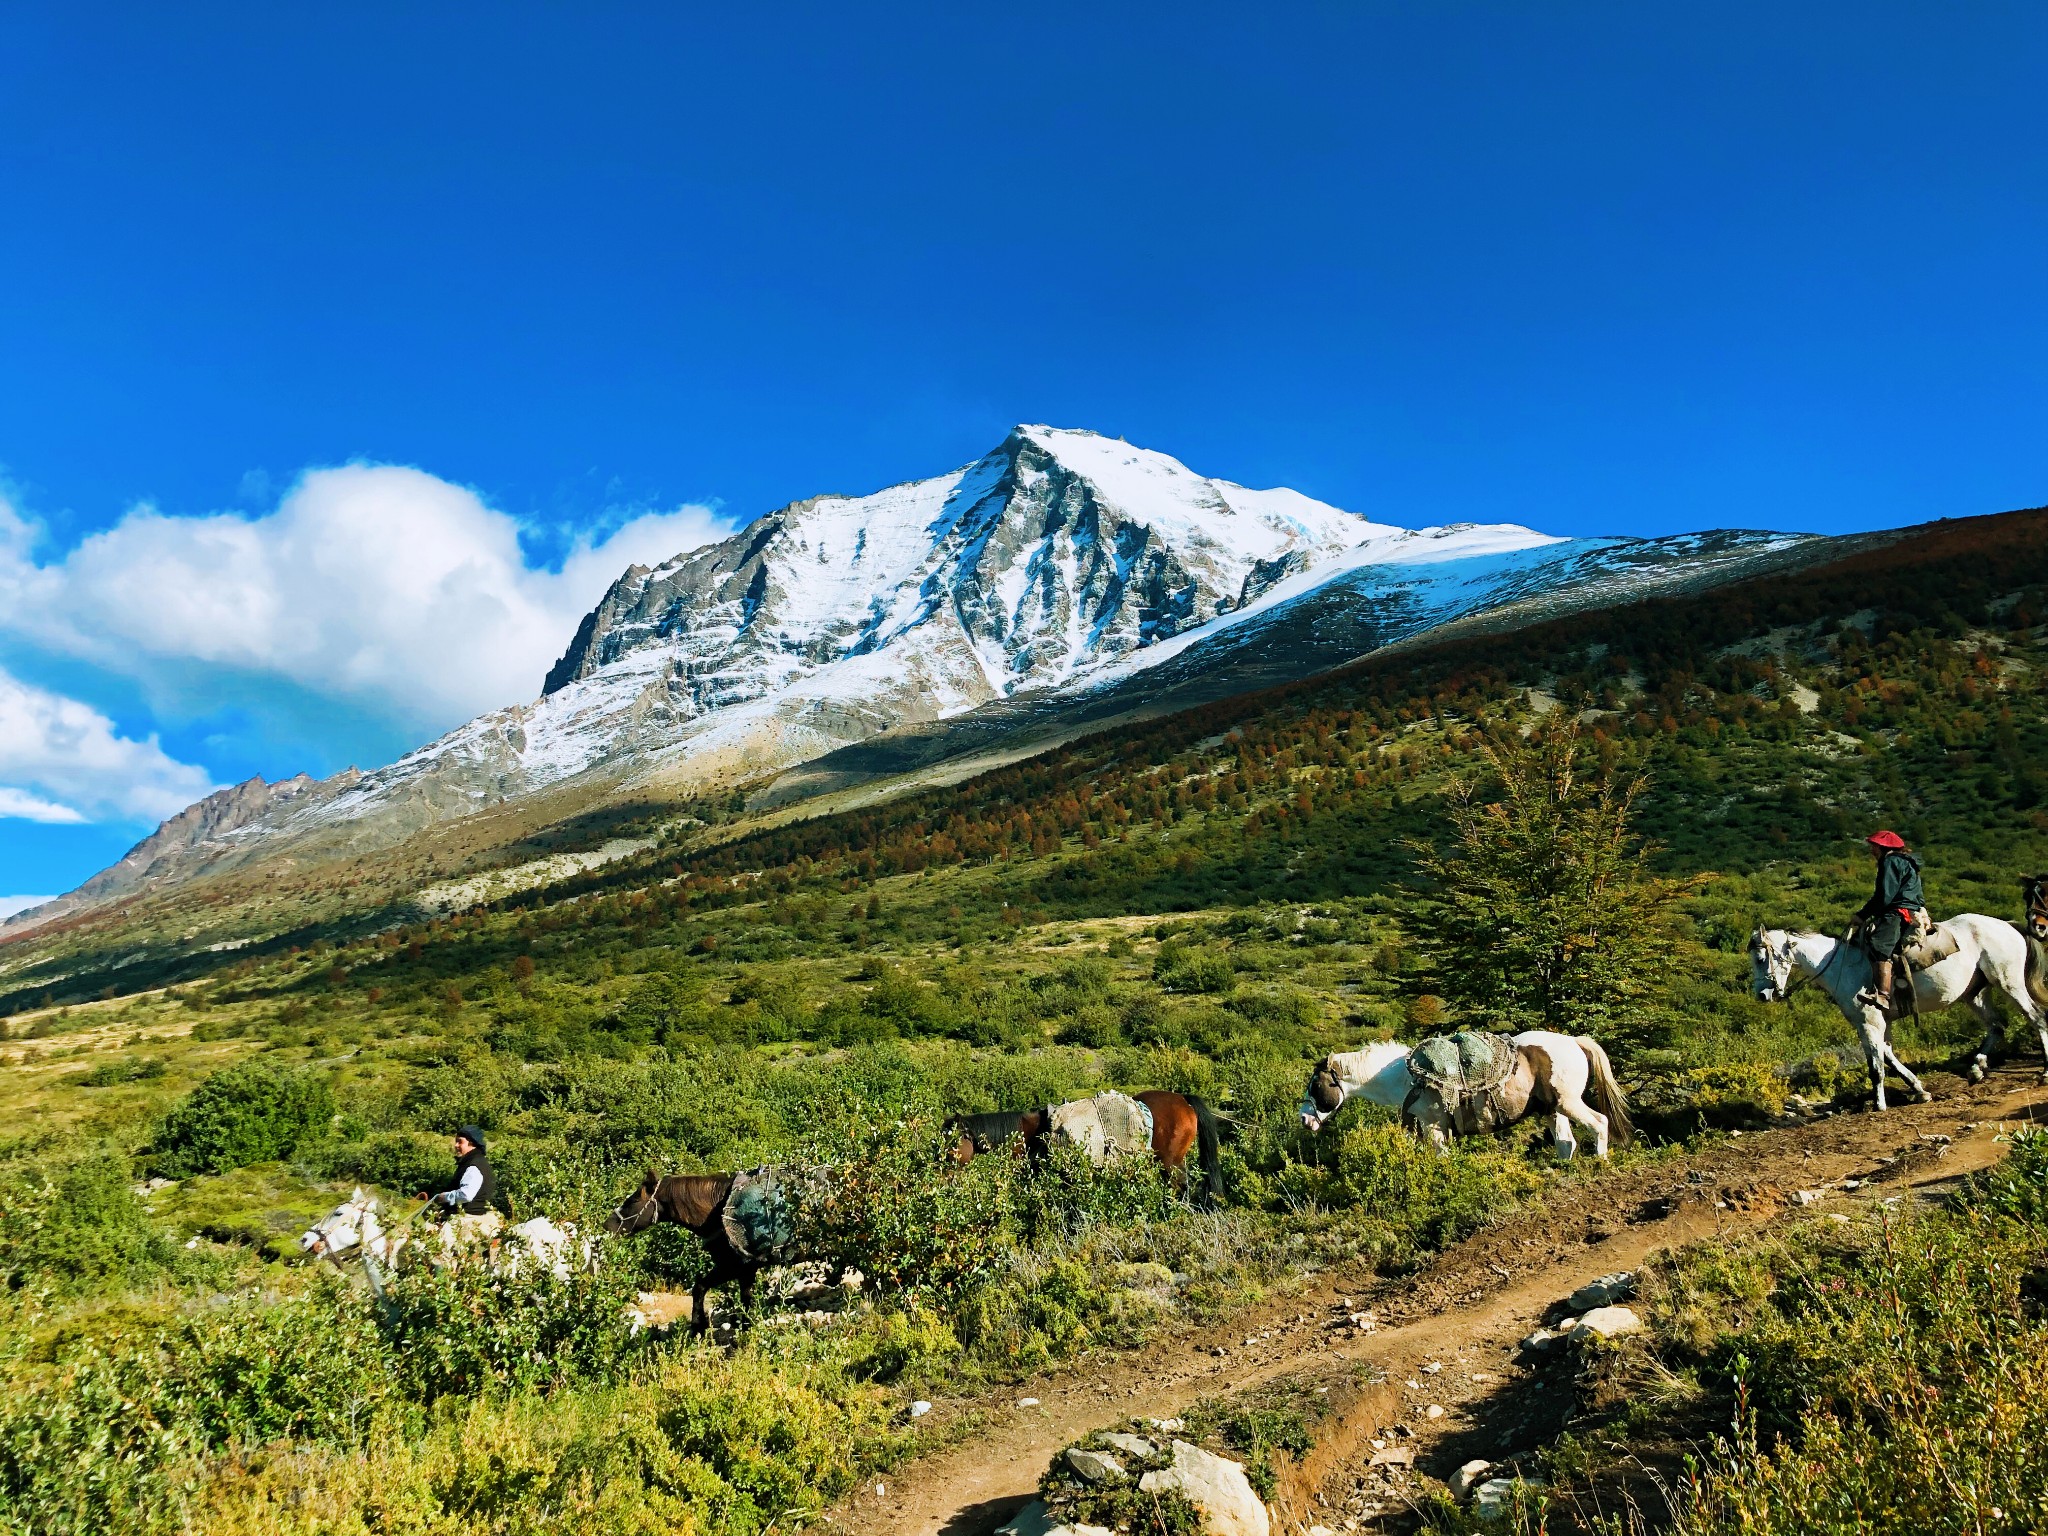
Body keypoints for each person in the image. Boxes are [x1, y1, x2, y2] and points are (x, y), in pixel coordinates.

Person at [1853, 830, 1926, 1012]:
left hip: (1897, 912)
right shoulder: (1906, 862)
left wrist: (1862, 915)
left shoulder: (1890, 862)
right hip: (1909, 908)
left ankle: (1883, 995)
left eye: (1874, 846)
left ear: (1883, 847)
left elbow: (1884, 896)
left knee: (1880, 947)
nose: (1872, 850)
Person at [420, 1125, 500, 1248]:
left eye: (460, 1142)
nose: (456, 1145)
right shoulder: (475, 1161)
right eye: (456, 1141)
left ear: (471, 1143)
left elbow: (466, 1194)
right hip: (472, 1214)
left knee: (438, 1248)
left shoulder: (473, 1166)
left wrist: (444, 1197)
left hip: (469, 1217)